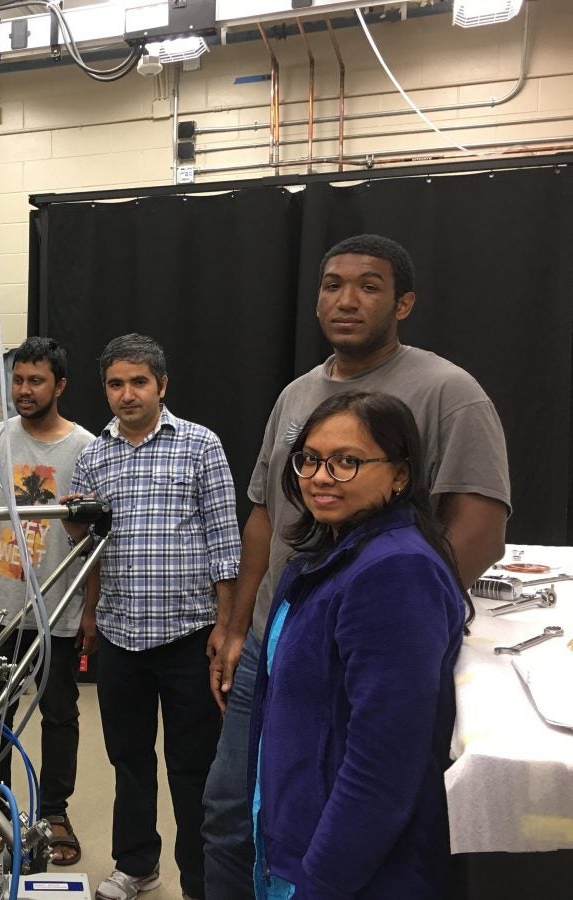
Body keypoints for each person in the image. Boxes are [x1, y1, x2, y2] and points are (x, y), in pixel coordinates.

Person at [201, 234, 511, 899]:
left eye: (368, 286)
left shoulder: (448, 392)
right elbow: (265, 516)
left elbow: (480, 527)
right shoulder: (296, 396)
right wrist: (236, 626)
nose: (346, 299)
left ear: (403, 302)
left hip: (357, 639)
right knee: (238, 815)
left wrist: (392, 612)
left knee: (349, 810)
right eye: (332, 284)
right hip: (275, 637)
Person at [250, 390, 466, 898]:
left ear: (401, 474)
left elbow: (382, 769)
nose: (321, 476)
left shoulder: (395, 572)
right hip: (303, 842)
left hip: (349, 872)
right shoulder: (335, 555)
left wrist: (323, 883)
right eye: (310, 459)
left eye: (348, 461)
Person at [64, 333, 241, 900]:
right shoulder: (93, 454)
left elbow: (225, 545)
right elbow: (88, 542)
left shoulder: (199, 446)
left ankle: (202, 880)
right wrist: (90, 612)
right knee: (128, 759)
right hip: (120, 635)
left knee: (194, 768)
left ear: (162, 385)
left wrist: (225, 625)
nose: (126, 393)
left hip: (189, 636)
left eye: (138, 381)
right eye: (116, 383)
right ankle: (138, 864)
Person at [0, 337, 97, 866]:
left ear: (59, 385)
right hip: (0, 609)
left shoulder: (86, 448)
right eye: (18, 380)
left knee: (59, 714)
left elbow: (95, 539)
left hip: (57, 610)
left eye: (36, 381)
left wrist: (92, 608)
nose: (24, 390)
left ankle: (54, 812)